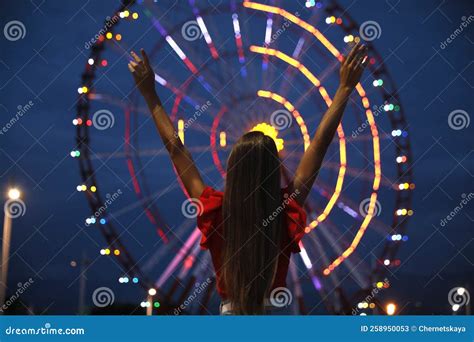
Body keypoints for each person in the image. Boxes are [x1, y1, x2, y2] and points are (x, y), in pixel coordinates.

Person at [128, 43, 368, 315]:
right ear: (274, 170)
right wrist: (344, 89)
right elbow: (319, 146)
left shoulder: (216, 212)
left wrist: (150, 94)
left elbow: (176, 149)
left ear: (233, 169)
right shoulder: (284, 211)